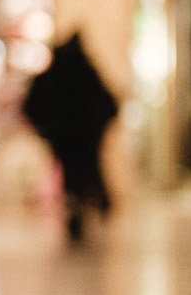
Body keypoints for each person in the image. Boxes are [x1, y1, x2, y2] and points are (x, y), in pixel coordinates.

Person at [21, 34, 118, 243]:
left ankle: (85, 203)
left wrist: (46, 129)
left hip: (65, 140)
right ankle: (93, 200)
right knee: (87, 171)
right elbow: (110, 105)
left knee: (75, 175)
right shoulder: (87, 75)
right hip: (84, 139)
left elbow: (31, 105)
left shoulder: (54, 76)